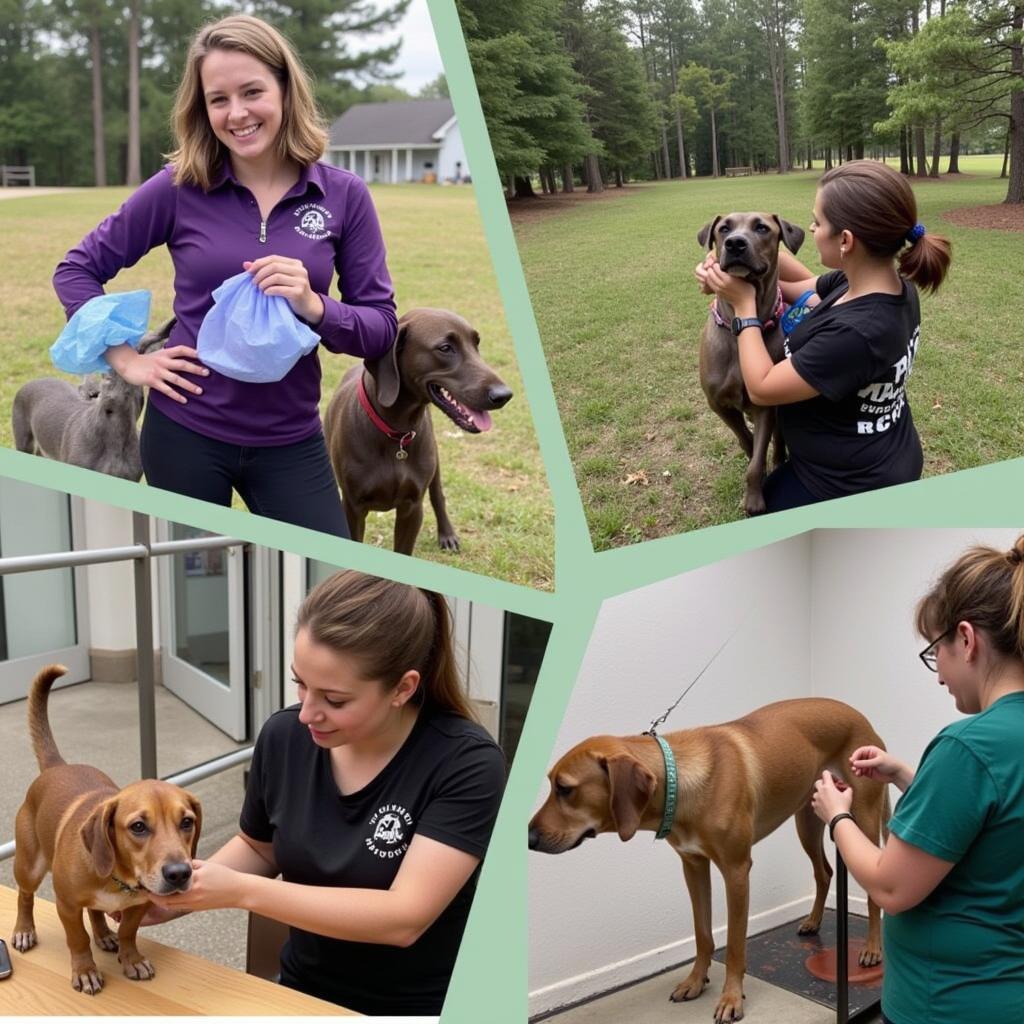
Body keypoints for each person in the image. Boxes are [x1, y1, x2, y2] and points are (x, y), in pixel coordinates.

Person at [52, 15, 398, 537]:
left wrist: (313, 304)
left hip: (291, 440)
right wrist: (126, 360)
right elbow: (76, 268)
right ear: (202, 108)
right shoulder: (177, 187)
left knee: (333, 569)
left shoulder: (344, 195)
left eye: (252, 91)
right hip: (184, 433)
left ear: (285, 89)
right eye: (218, 99)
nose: (236, 114)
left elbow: (380, 326)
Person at [141, 570, 506, 1015]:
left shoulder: (466, 764)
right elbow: (260, 847)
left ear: (403, 688)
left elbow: (404, 918)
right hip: (300, 992)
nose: (306, 713)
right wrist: (176, 899)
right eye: (301, 684)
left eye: (334, 700)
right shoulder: (283, 737)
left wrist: (239, 892)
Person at [811, 535, 1024, 1024]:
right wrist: (908, 774)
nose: (938, 676)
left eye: (936, 652)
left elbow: (890, 888)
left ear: (966, 640)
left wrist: (837, 816)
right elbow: (995, 822)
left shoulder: (968, 747)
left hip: (948, 1005)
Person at [695, 160, 952, 512]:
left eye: (817, 222)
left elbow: (762, 388)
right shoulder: (871, 283)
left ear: (845, 240)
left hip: (850, 484)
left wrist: (742, 304)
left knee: (766, 519)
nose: (810, 229)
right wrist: (733, 250)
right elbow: (787, 284)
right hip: (885, 449)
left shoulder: (857, 332)